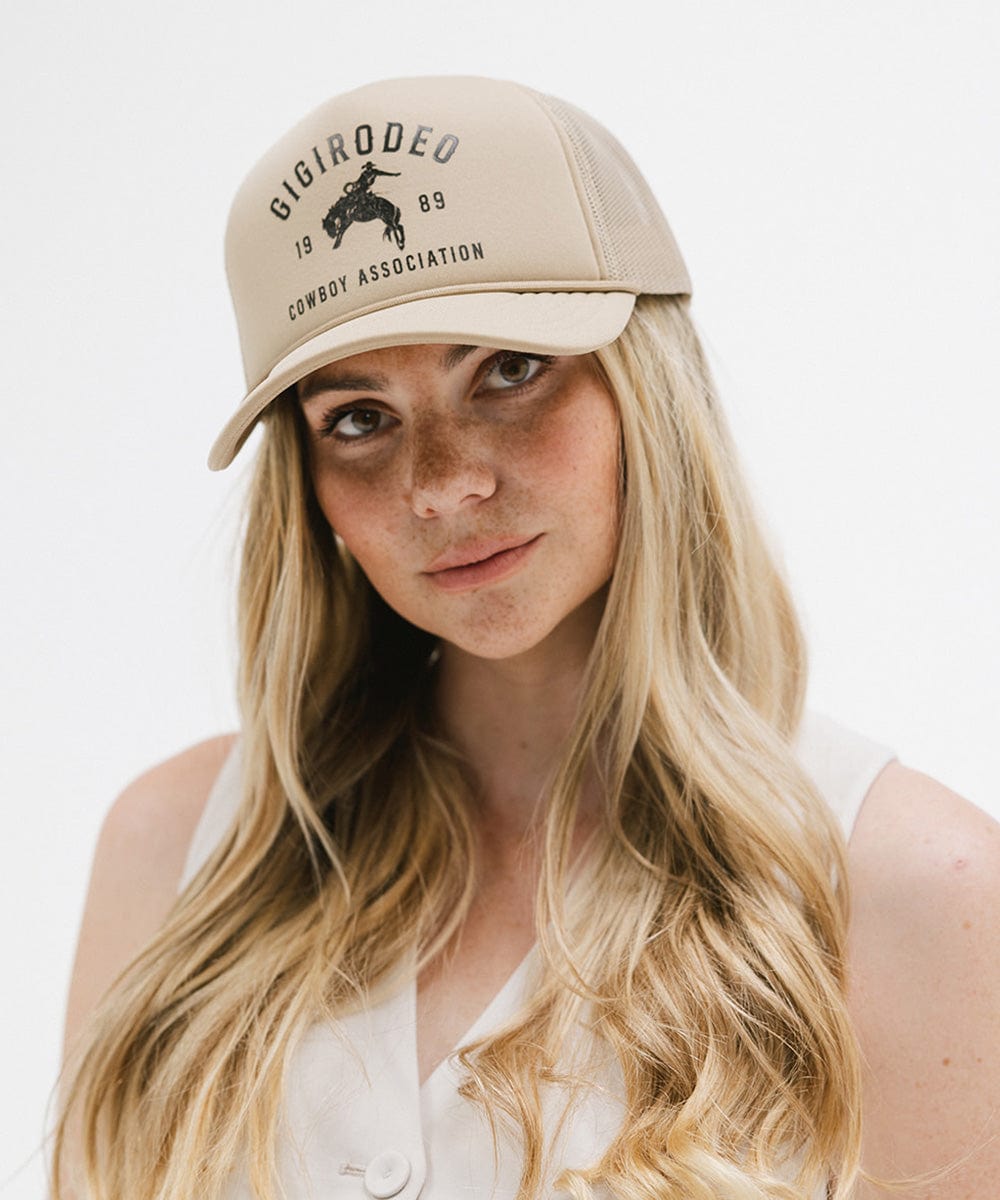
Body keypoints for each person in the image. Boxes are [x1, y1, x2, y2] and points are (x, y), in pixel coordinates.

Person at [53, 76, 999, 1200]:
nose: (443, 484)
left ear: (646, 390)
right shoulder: (176, 856)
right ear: (306, 493)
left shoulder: (912, 888)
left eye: (508, 370)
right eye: (357, 420)